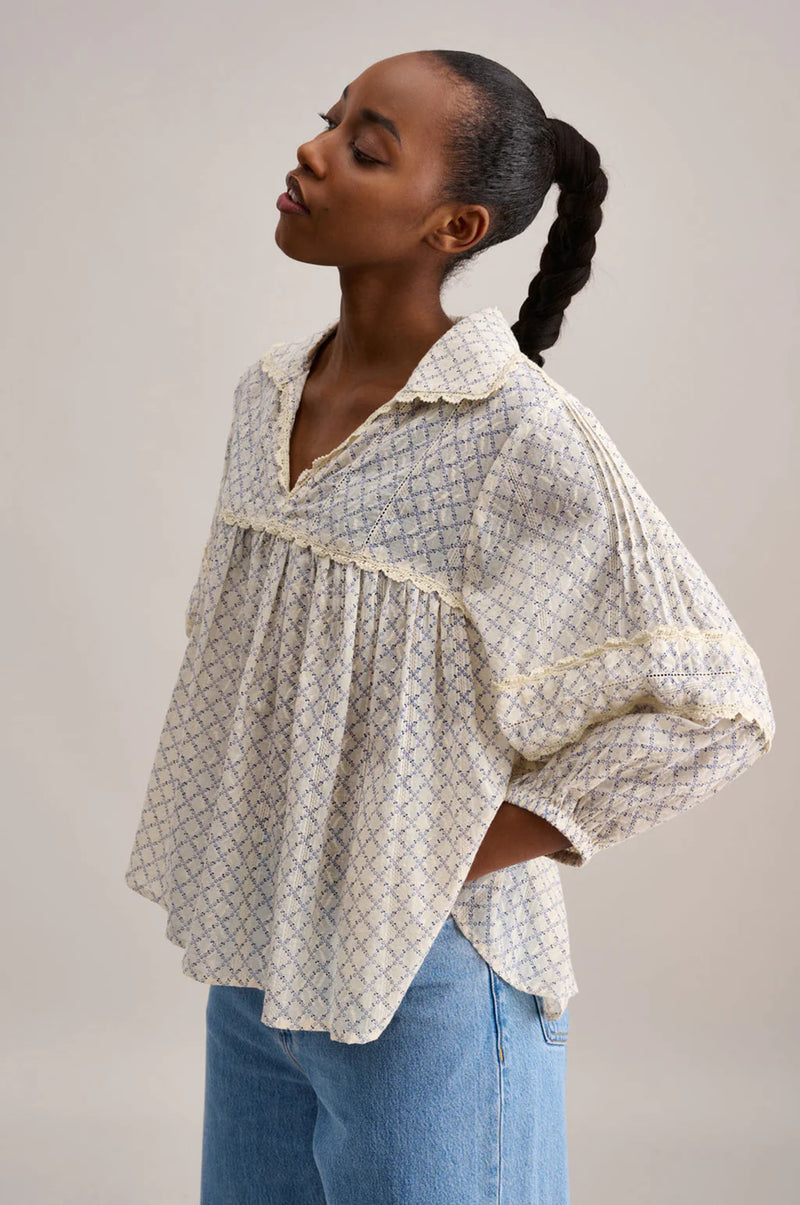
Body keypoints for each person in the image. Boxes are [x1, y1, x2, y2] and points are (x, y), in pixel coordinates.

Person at [124, 49, 775, 1205]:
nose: (311, 152)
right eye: (327, 122)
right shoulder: (266, 394)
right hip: (258, 956)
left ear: (454, 225)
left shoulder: (514, 430)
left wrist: (439, 848)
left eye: (365, 147)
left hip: (425, 973)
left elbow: (713, 708)